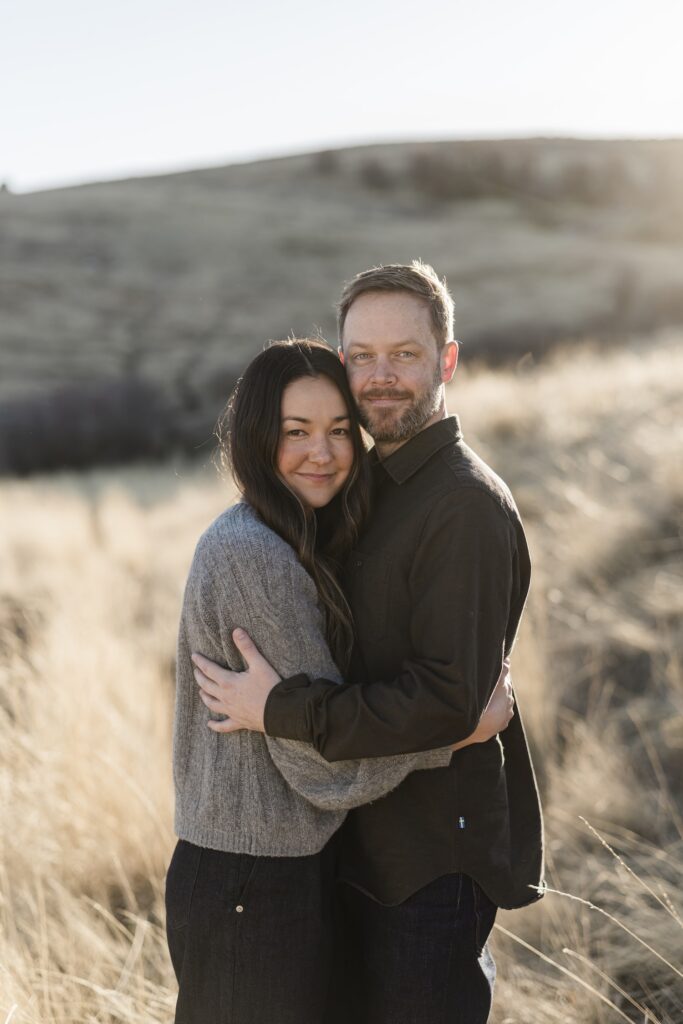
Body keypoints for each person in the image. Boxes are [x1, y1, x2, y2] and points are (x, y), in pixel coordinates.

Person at [192, 262, 545, 1024]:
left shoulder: (463, 507)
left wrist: (281, 710)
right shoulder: (363, 490)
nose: (380, 377)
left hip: (429, 862)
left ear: (445, 360)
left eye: (405, 355)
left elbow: (447, 700)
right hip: (356, 847)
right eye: (361, 356)